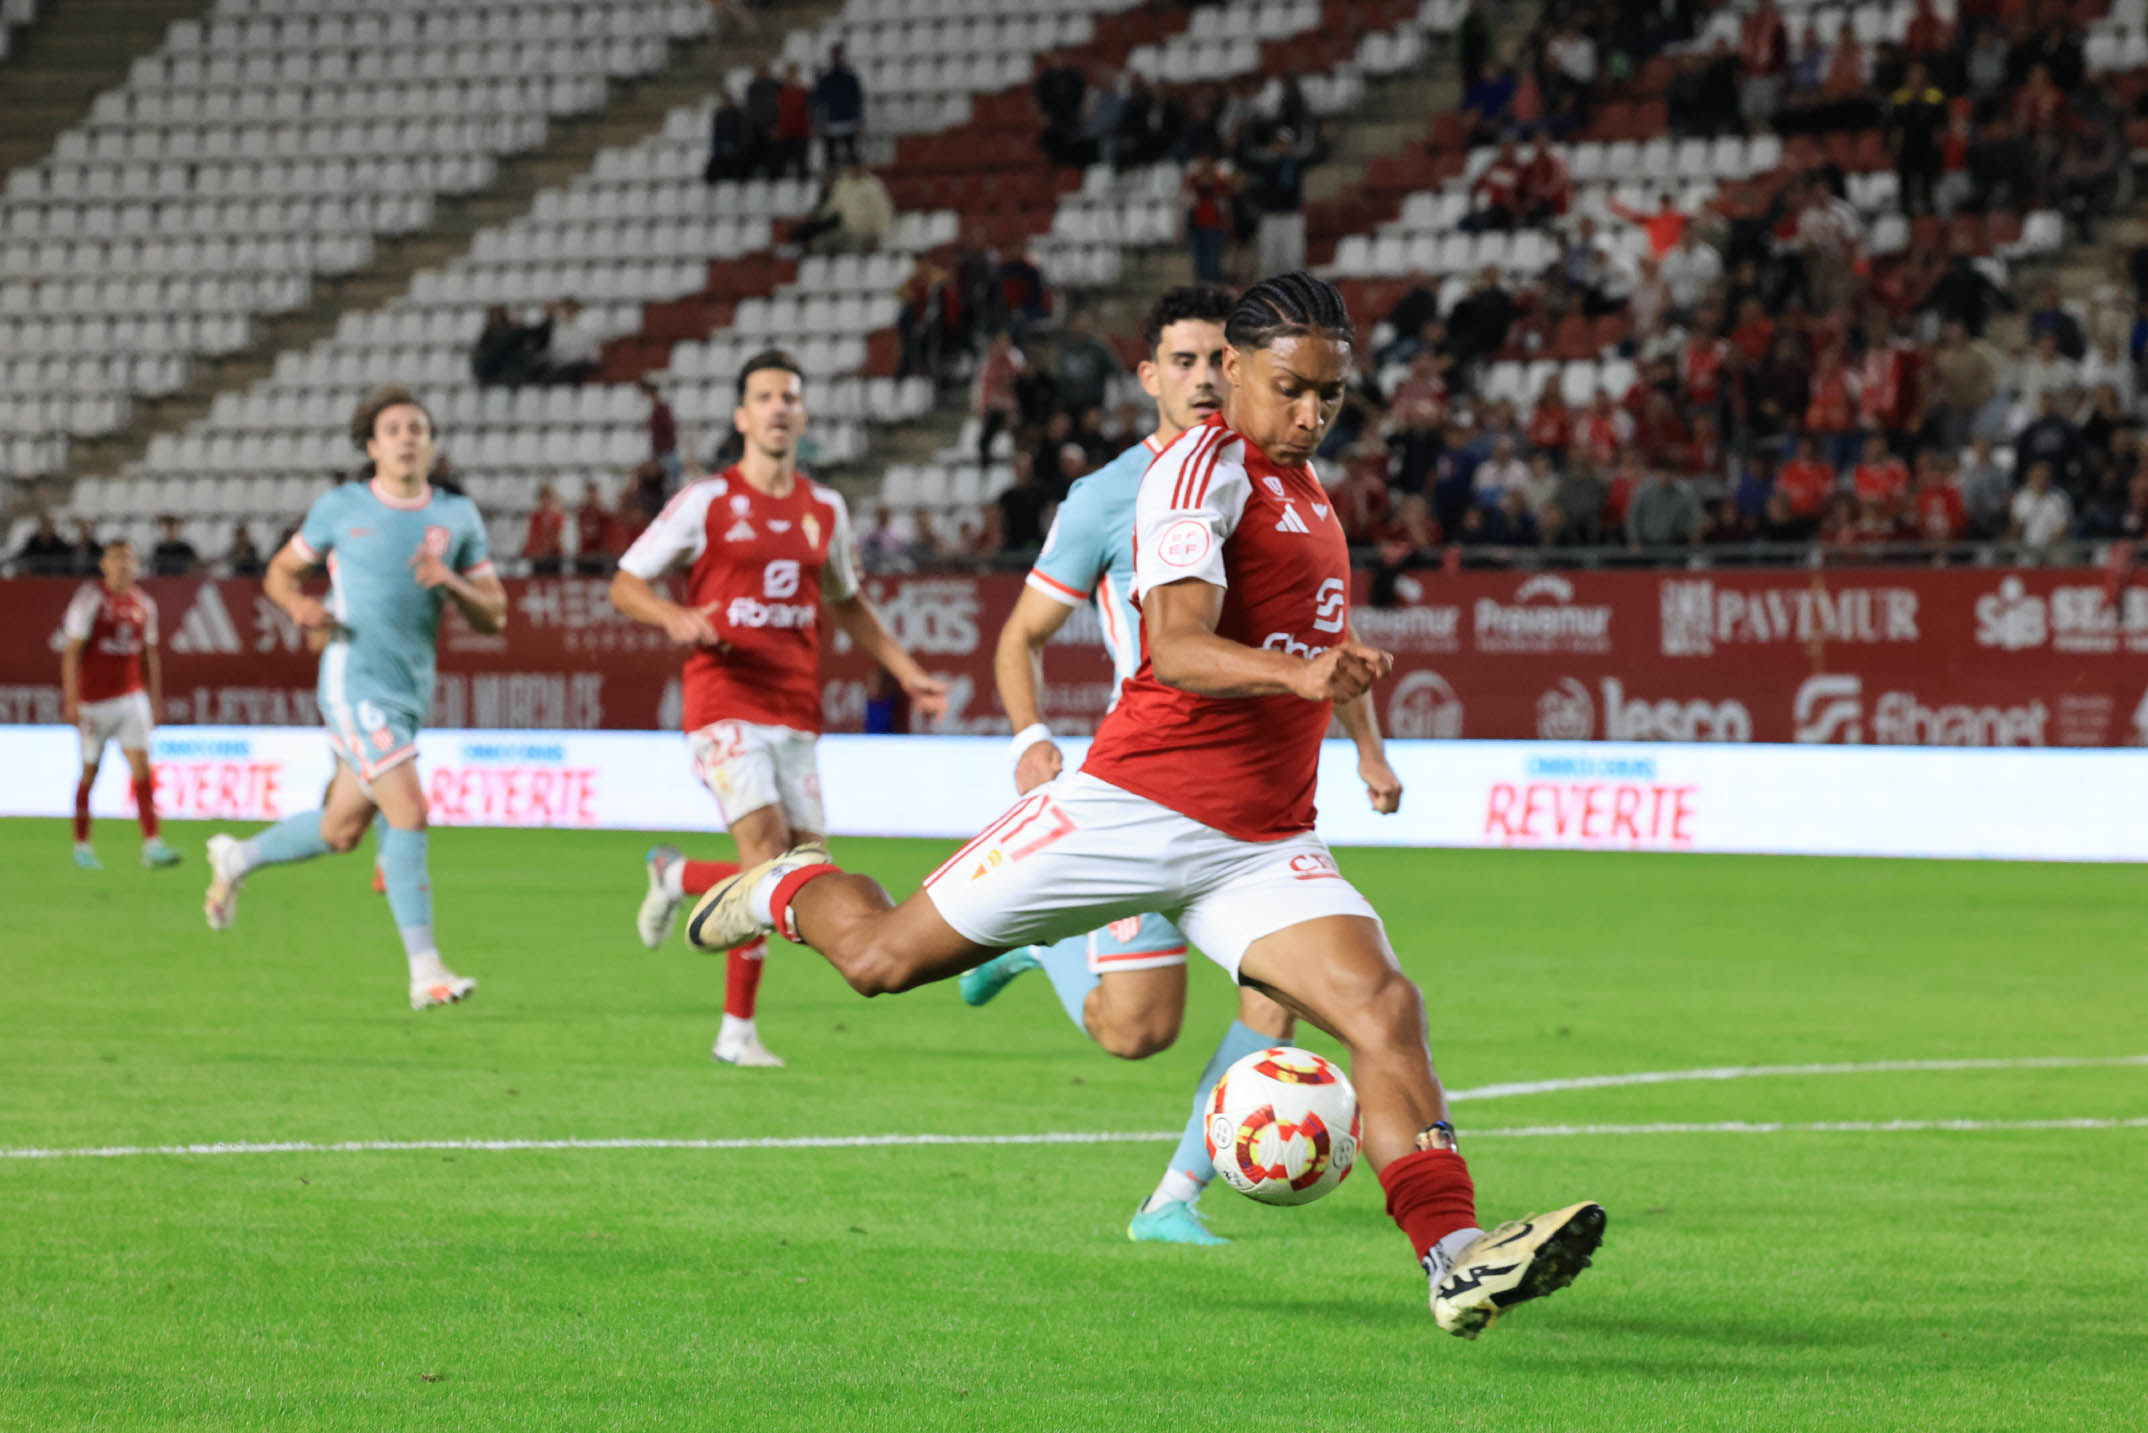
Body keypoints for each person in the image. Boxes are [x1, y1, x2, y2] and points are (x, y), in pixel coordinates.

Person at [677, 274, 1605, 1334]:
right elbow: (1175, 644)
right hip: (1133, 806)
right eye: (1293, 389)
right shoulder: (1196, 476)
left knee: (1385, 1007)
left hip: (1261, 842)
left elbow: (1309, 650)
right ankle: (793, 886)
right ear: (1240, 371)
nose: (1312, 414)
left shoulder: (1304, 487)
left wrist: (1338, 698)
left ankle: (1454, 1257)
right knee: (881, 959)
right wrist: (1297, 677)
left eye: (1333, 398)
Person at [963, 288, 1297, 1246]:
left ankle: (1170, 1200)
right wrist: (1031, 736)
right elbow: (1020, 636)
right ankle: (1038, 944)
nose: (1202, 379)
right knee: (1134, 1032)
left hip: (1259, 797)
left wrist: (1366, 747)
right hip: (1149, 789)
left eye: (1215, 362)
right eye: (1181, 362)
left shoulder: (1272, 481)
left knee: (1283, 993)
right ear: (1149, 377)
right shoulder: (1108, 497)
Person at [611, 350, 949, 1067]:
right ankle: (736, 1032)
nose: (778, 407)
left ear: (802, 413)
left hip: (794, 707)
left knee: (807, 870)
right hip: (723, 701)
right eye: (764, 396)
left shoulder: (824, 508)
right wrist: (672, 616)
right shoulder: (708, 501)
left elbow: (847, 601)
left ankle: (676, 876)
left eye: (789, 396)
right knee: (767, 859)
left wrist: (906, 670)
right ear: (742, 416)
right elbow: (626, 581)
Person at [203, 387, 507, 1011]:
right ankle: (426, 971)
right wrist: (297, 606)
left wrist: (449, 580)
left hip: (407, 691)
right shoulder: (340, 508)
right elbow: (281, 572)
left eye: (417, 427)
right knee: (410, 809)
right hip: (352, 680)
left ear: (431, 442)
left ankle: (237, 858)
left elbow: (495, 616)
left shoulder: (457, 518)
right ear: (372, 446)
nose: (406, 437)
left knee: (341, 830)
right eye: (393, 429)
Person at [60, 537, 179, 871]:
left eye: (128, 558)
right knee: (90, 772)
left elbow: (149, 654)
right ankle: (82, 845)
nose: (122, 564)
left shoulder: (145, 604)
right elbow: (72, 652)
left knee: (142, 768)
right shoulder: (90, 600)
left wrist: (154, 698)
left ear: (137, 565)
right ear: (104, 564)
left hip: (131, 698)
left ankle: (152, 844)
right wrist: (71, 700)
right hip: (94, 702)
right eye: (115, 558)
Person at [813, 44, 865, 170]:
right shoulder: (825, 78)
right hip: (830, 122)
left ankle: (853, 177)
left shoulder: (850, 77)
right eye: (834, 54)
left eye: (838, 54)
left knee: (851, 153)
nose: (836, 57)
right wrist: (818, 122)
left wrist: (859, 120)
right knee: (830, 157)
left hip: (848, 121)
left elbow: (857, 99)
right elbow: (819, 101)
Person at [524, 484, 567, 574]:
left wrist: (550, 548)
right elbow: (532, 534)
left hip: (553, 556)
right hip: (539, 556)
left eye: (548, 498)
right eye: (543, 498)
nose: (545, 501)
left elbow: (559, 535)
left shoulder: (557, 516)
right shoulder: (536, 516)